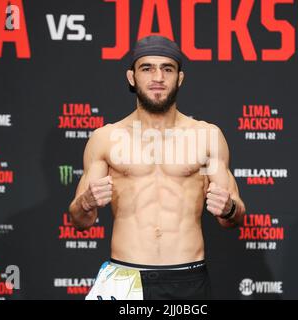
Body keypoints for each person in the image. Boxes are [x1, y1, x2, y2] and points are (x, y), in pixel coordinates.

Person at [69, 35, 246, 300]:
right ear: (132, 77)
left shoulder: (207, 136)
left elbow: (234, 218)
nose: (158, 77)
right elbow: (80, 221)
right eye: (147, 68)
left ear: (180, 78)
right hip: (125, 278)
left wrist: (229, 208)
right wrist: (86, 201)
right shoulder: (104, 138)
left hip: (188, 279)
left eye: (167, 68)